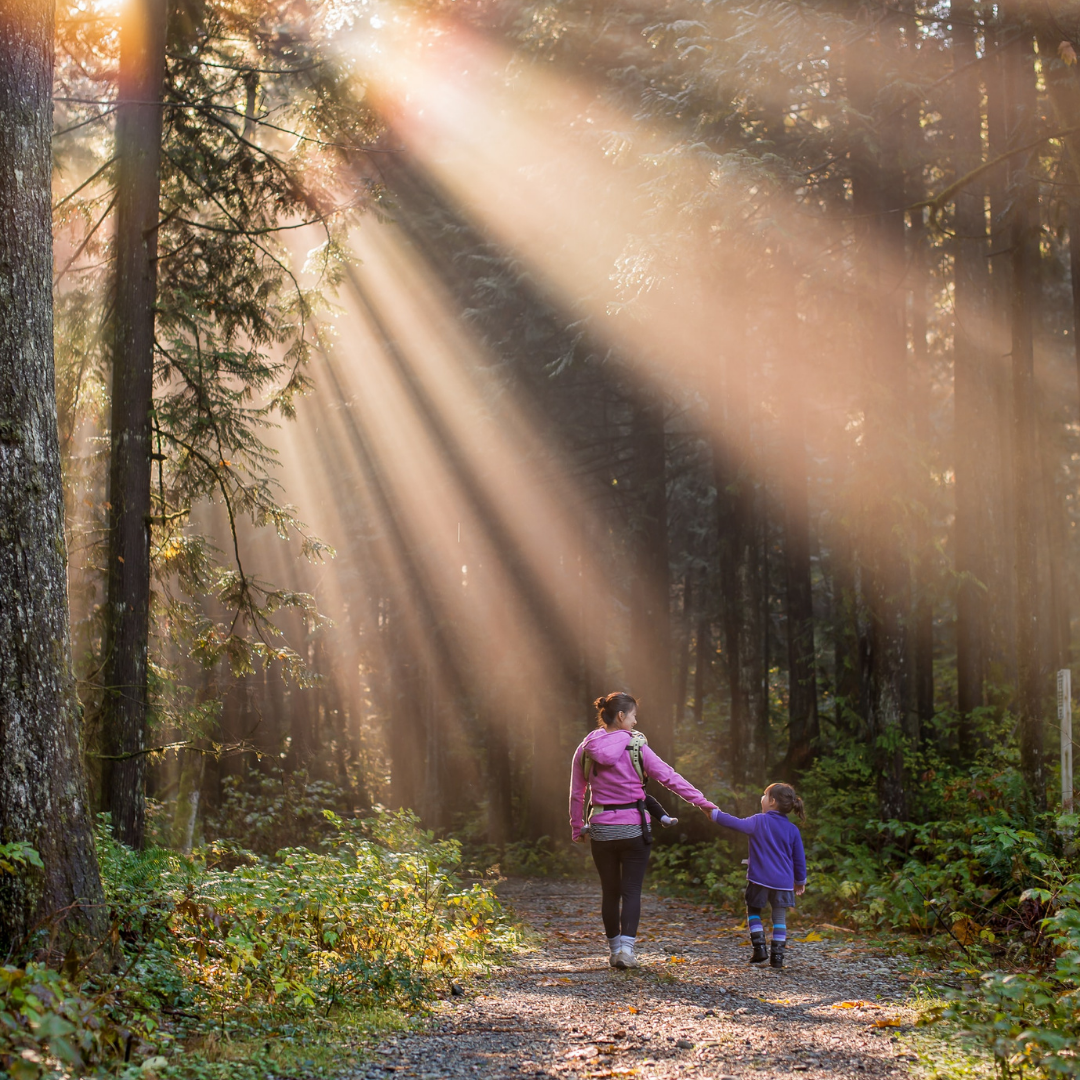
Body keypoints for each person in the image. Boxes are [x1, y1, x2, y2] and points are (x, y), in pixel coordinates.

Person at [570, 691, 718, 970]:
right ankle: (627, 951)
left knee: (609, 891)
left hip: (601, 828)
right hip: (634, 829)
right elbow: (669, 777)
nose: (636, 722)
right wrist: (703, 803)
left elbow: (577, 793)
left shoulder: (585, 747)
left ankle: (614, 951)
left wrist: (578, 827)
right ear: (622, 716)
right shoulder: (636, 746)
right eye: (634, 716)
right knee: (632, 890)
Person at [710, 783, 807, 969]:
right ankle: (777, 958)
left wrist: (714, 814)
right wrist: (800, 881)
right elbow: (799, 859)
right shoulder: (793, 830)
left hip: (759, 879)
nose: (761, 799)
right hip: (784, 883)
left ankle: (759, 948)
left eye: (764, 795)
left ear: (771, 801)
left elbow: (735, 823)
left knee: (753, 911)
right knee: (779, 918)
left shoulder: (758, 821)